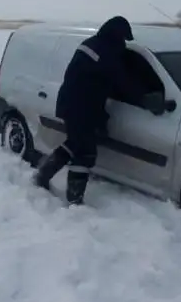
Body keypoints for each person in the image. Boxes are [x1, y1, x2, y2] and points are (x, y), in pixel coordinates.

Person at [33, 16, 165, 205]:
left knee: (75, 143)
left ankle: (43, 174)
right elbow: (122, 81)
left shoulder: (92, 44)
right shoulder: (106, 52)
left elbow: (99, 81)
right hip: (81, 106)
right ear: (116, 35)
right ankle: (74, 199)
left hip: (74, 103)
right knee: (85, 153)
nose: (124, 43)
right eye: (123, 38)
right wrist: (144, 98)